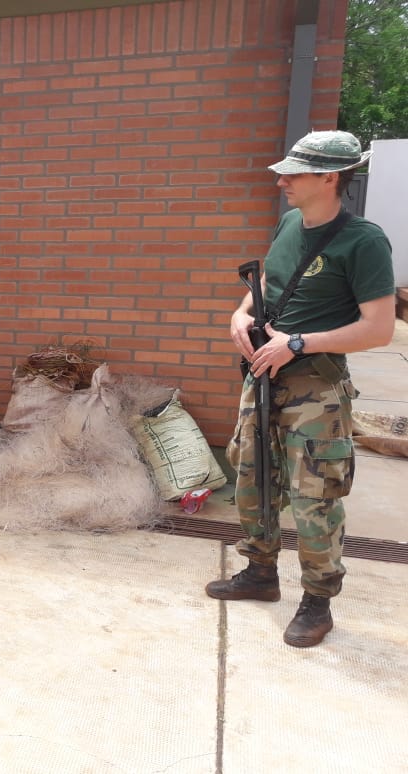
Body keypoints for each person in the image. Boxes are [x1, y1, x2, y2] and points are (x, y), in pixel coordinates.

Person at [206, 131, 395, 647]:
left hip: (317, 387)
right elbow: (268, 284)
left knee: (315, 495)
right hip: (264, 375)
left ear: (330, 178)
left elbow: (378, 328)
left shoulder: (364, 241)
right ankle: (260, 573)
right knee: (252, 476)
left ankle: (317, 601)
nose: (282, 180)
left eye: (294, 173)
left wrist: (299, 342)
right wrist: (240, 316)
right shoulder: (291, 222)